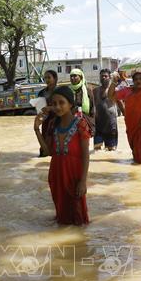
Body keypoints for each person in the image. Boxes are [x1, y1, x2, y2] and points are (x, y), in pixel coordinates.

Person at [34, 86, 91, 225]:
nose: (58, 107)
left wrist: (83, 181)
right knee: (62, 218)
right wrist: (36, 129)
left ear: (70, 104)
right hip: (56, 176)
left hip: (74, 176)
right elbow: (48, 152)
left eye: (61, 103)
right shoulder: (53, 124)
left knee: (78, 219)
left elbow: (85, 155)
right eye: (54, 104)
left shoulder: (80, 124)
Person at [92, 69, 119, 151]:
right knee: (97, 149)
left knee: (111, 150)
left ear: (109, 78)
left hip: (111, 124)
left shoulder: (114, 90)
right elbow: (91, 105)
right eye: (102, 76)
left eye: (106, 76)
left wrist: (127, 116)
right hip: (98, 124)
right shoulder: (95, 91)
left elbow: (120, 104)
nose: (103, 77)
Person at [37, 70, 58, 157]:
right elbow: (39, 108)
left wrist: (50, 108)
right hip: (45, 121)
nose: (47, 80)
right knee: (45, 142)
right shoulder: (41, 93)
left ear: (55, 78)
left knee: (56, 144)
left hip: (58, 121)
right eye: (45, 78)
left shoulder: (60, 92)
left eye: (49, 77)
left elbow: (64, 107)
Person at [69, 68, 96, 133]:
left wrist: (92, 124)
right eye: (71, 76)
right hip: (70, 123)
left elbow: (92, 109)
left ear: (81, 77)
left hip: (84, 124)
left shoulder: (87, 91)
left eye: (75, 76)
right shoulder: (68, 91)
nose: (72, 78)